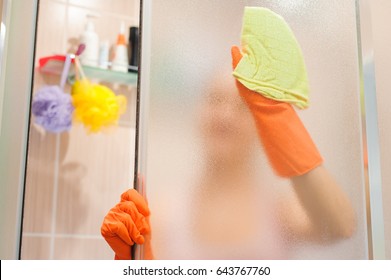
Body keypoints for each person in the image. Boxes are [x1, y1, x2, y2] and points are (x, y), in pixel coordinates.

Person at [100, 46, 356, 260]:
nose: (225, 116)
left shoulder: (281, 214)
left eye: (243, 106)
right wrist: (132, 264)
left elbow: (341, 228)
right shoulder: (163, 213)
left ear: (264, 124)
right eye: (215, 100)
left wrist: (288, 135)